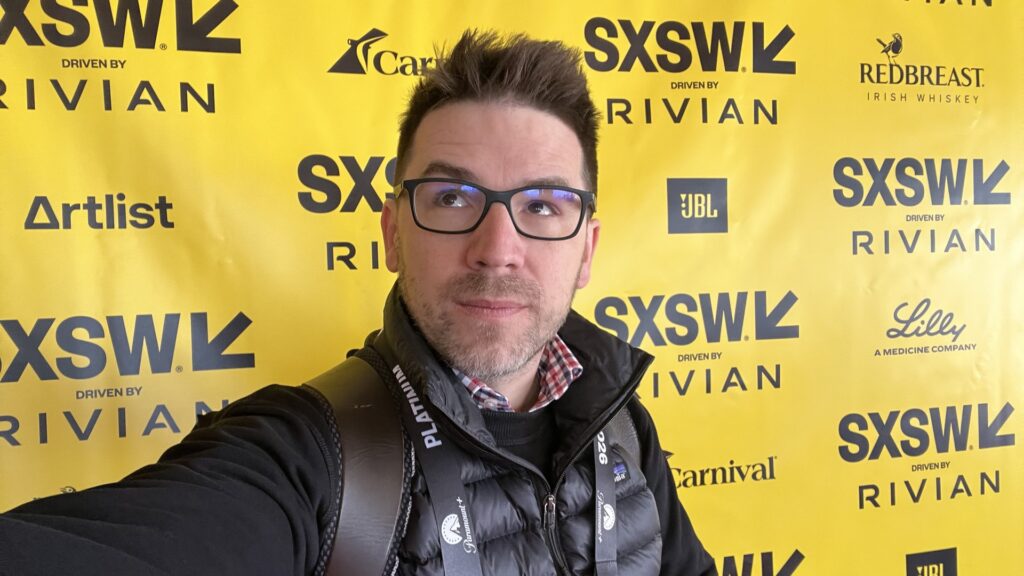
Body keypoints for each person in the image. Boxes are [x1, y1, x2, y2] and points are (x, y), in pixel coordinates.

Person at [0, 30, 717, 576]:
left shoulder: (620, 426)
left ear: (586, 250)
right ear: (393, 234)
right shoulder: (307, 456)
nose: (497, 248)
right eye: (452, 197)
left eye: (543, 204)